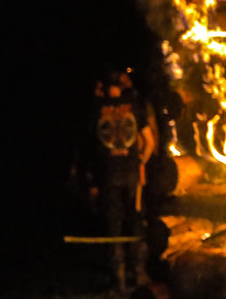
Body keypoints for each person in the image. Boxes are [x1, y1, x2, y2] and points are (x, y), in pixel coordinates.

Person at [93, 69, 155, 293]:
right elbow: (149, 141)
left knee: (114, 227)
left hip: (109, 176)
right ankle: (139, 275)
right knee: (136, 223)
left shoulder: (96, 108)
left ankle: (117, 279)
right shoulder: (135, 104)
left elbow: (91, 146)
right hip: (131, 175)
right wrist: (141, 160)